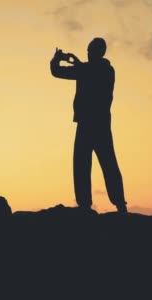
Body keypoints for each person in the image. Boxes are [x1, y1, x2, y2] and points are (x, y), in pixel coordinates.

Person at [50, 37, 127, 213]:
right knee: (88, 164)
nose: (88, 54)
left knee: (101, 164)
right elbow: (57, 72)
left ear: (96, 52)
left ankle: (117, 203)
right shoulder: (91, 69)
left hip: (93, 124)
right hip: (94, 123)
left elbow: (83, 71)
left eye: (90, 51)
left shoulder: (104, 70)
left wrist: (71, 62)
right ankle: (92, 205)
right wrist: (57, 60)